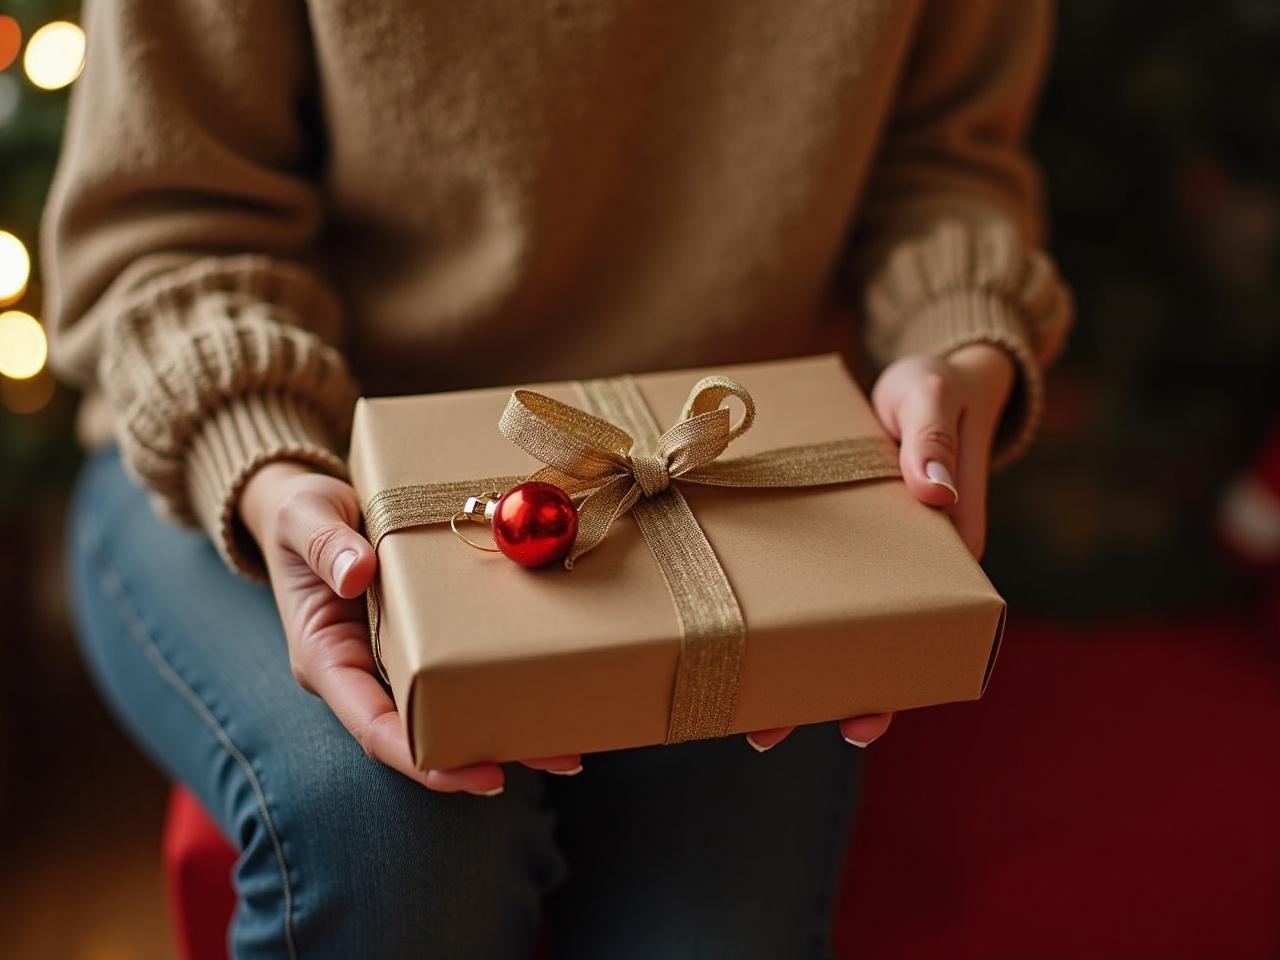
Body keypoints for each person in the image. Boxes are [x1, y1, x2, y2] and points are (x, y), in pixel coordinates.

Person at [43, 1, 1073, 957]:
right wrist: (259, 452)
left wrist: (956, 340)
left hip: (729, 492)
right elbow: (165, 224)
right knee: (390, 834)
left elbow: (944, 159)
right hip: (263, 443)